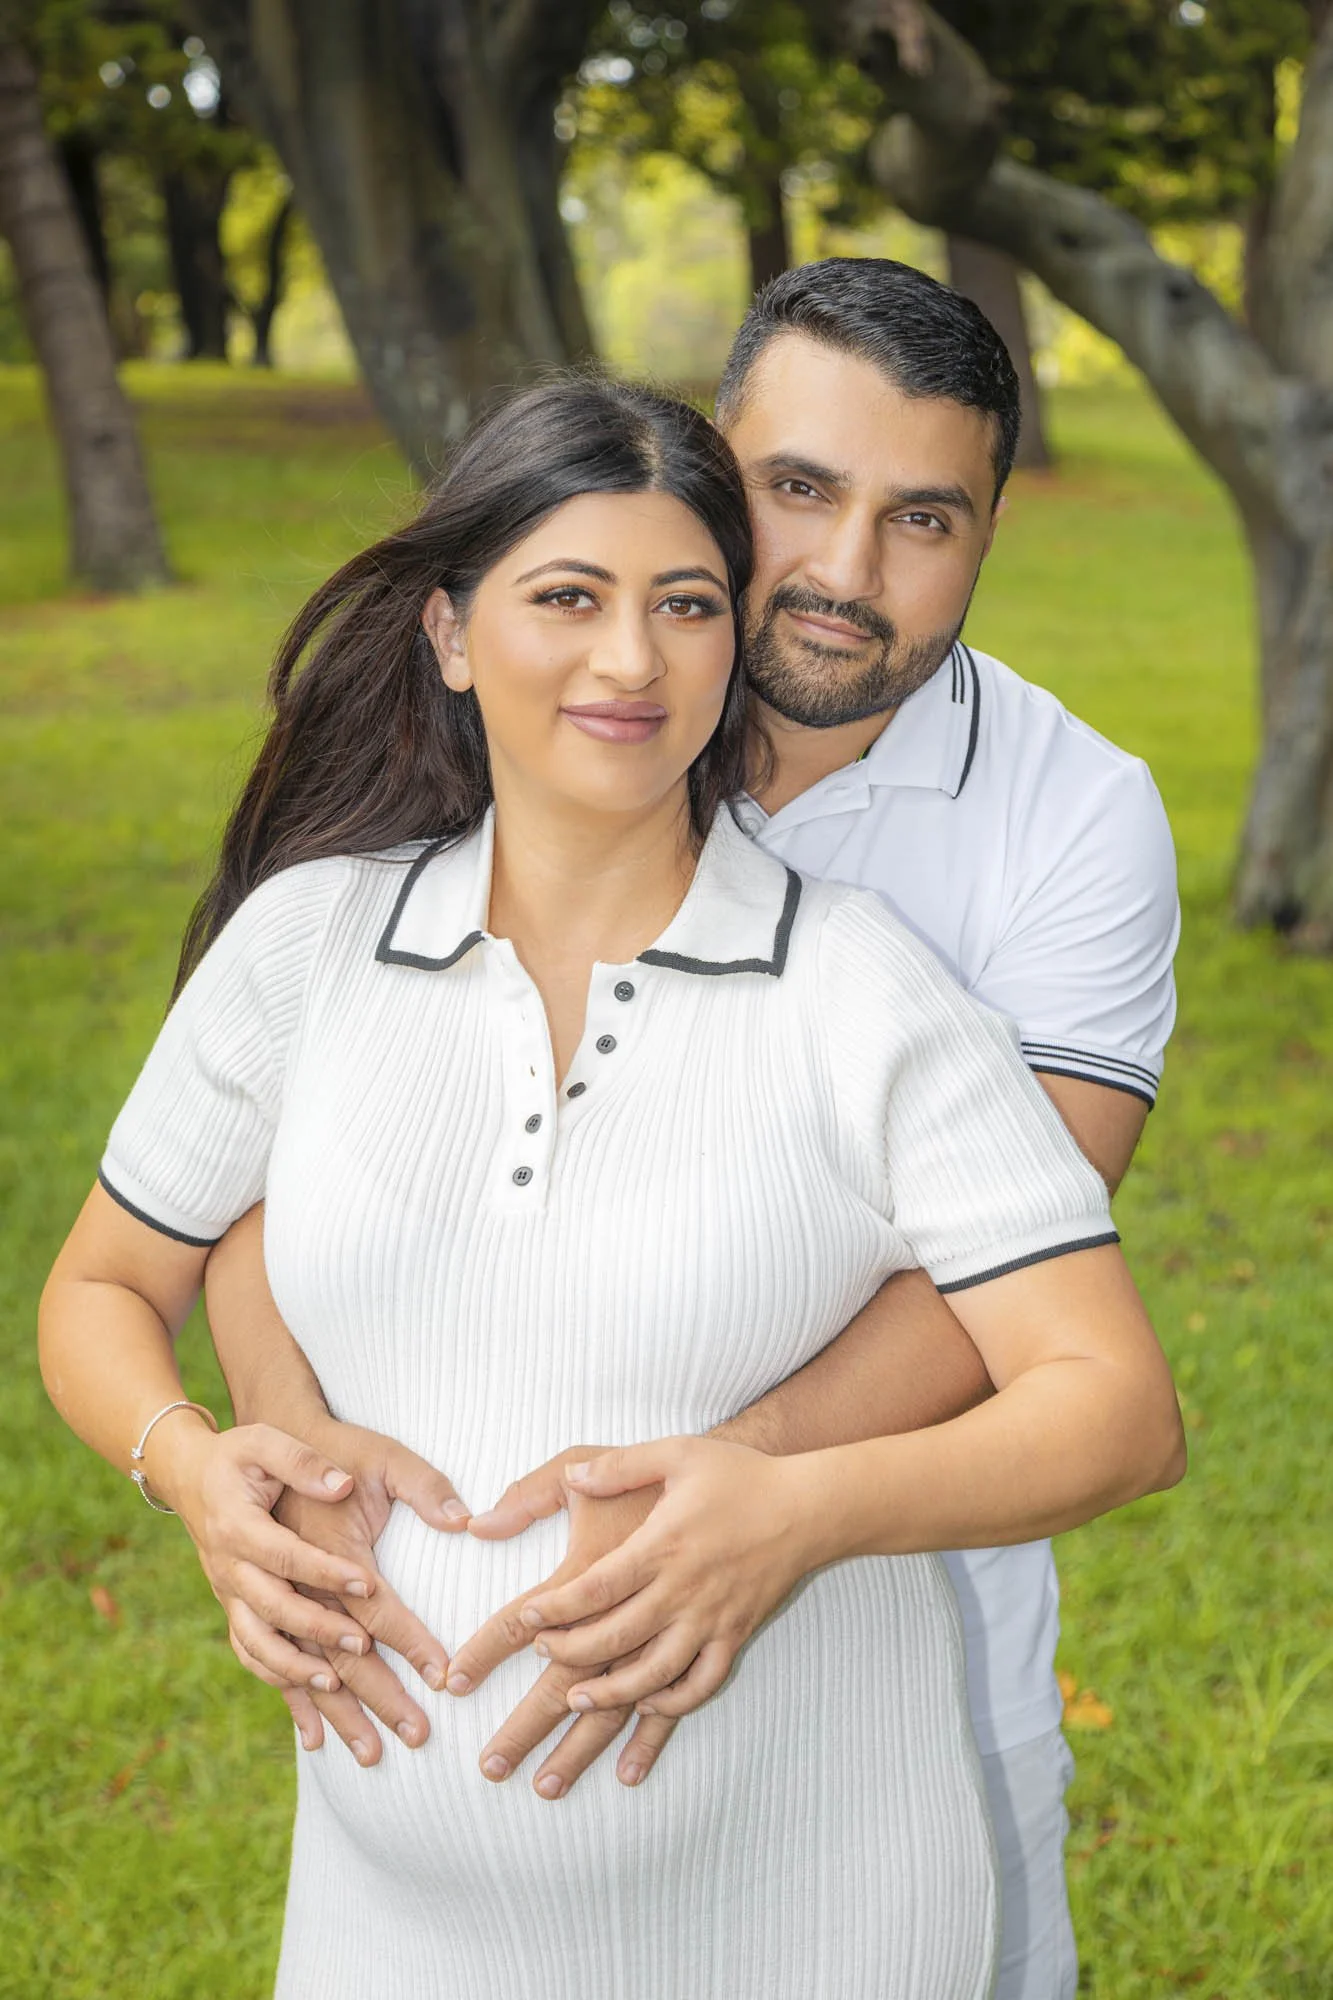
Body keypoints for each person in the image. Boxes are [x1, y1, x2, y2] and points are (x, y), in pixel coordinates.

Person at [40, 371, 1183, 2000]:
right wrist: (199, 1465)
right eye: (568, 598)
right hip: (380, 1935)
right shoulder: (308, 945)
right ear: (451, 633)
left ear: (733, 646)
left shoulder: (863, 990)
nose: (633, 660)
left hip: (820, 1919)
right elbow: (101, 1285)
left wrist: (795, 1512)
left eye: (687, 605)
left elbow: (1120, 1410)